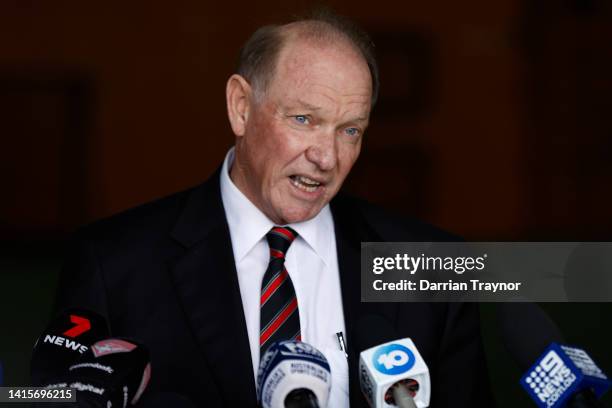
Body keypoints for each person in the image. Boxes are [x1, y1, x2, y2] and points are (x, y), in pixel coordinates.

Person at [55, 11, 494, 407]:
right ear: (241, 108)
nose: (327, 156)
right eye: (304, 119)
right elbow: (44, 395)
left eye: (350, 130)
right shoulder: (113, 265)